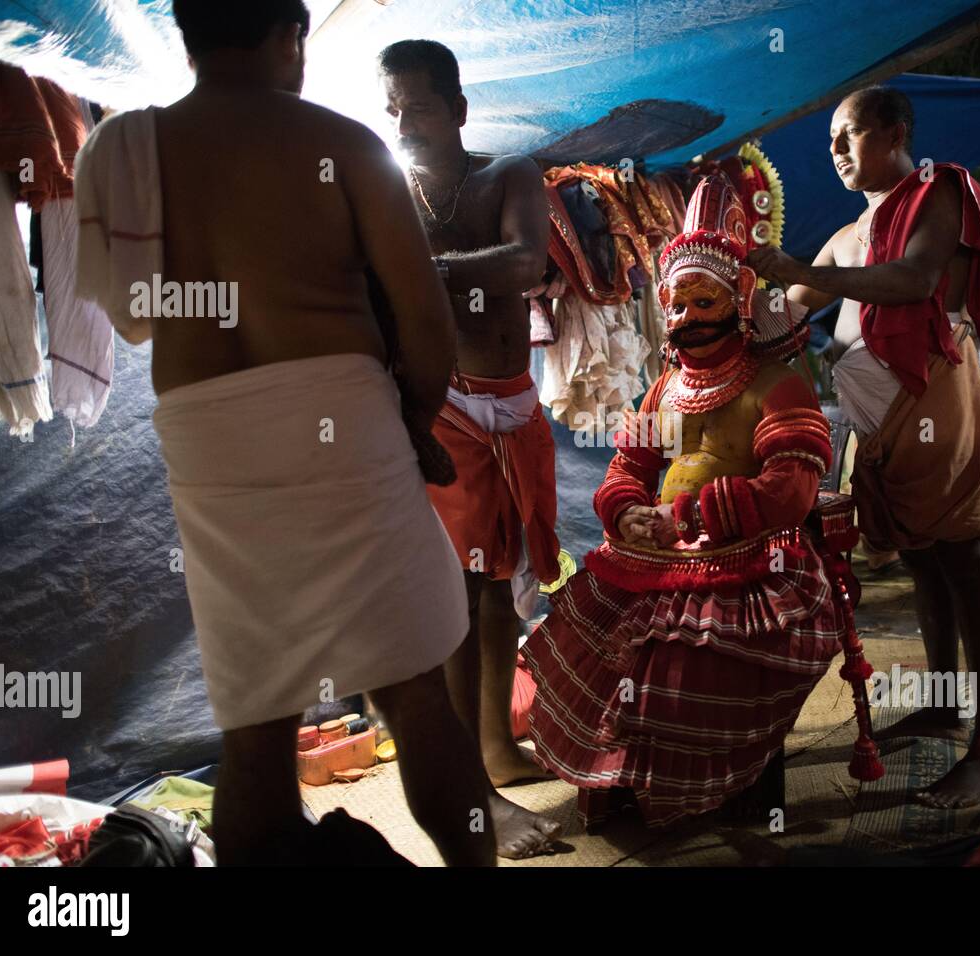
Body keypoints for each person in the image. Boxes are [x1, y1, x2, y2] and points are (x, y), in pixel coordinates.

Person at [73, 0, 496, 864]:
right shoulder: (344, 146)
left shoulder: (120, 149)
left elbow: (131, 320)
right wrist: (413, 423)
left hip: (208, 434)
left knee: (255, 721)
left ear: (189, 35)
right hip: (344, 421)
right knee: (415, 696)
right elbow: (425, 321)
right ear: (291, 36)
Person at [522, 170, 880, 828]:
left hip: (755, 563)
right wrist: (625, 507)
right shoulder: (664, 391)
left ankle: (726, 789)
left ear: (739, 299)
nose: (687, 318)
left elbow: (788, 491)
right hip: (659, 557)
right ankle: (630, 784)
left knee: (689, 675)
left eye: (703, 302)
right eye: (677, 305)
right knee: (608, 654)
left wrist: (683, 515)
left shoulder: (777, 386)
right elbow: (630, 462)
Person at [748, 86, 980, 808]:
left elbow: (913, 281)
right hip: (875, 422)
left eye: (848, 136)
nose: (836, 152)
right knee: (923, 561)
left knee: (963, 561)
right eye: (831, 143)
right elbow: (786, 310)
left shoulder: (940, 191)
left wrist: (798, 273)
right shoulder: (848, 234)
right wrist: (722, 299)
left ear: (895, 130)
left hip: (933, 398)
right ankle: (942, 703)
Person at [378, 39, 563, 859]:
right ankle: (476, 793)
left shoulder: (510, 175)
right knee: (454, 597)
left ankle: (496, 747)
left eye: (417, 105)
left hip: (515, 403)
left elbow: (527, 263)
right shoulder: (387, 191)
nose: (404, 122)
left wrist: (426, 267)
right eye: (392, 108)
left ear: (456, 108)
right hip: (444, 403)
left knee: (495, 590)